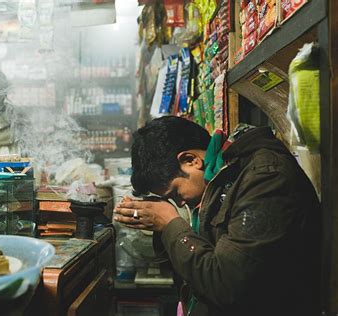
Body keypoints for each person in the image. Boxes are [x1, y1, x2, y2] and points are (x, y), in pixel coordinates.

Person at [114, 116, 321, 316]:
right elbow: (196, 269)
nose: (180, 203)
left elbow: (225, 285)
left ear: (191, 160)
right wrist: (159, 224)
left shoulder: (265, 177)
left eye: (176, 193)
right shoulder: (218, 181)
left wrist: (170, 224)